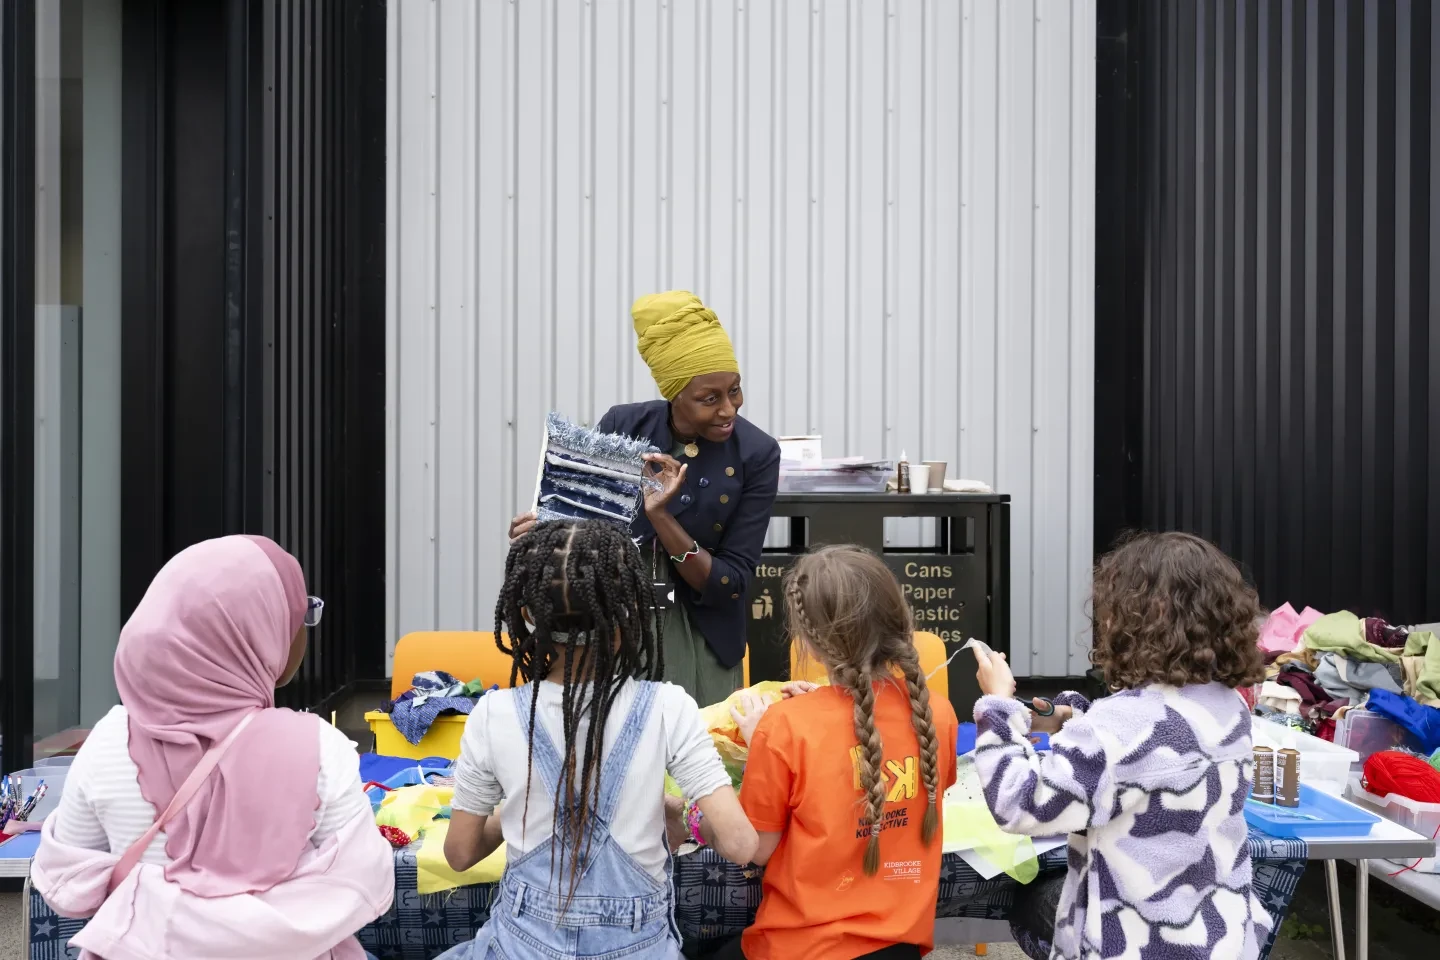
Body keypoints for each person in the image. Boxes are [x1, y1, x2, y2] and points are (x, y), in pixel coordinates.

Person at [33, 535, 393, 960]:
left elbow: (65, 883)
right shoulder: (320, 747)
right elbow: (362, 884)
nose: (301, 630)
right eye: (298, 614)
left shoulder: (107, 743)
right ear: (254, 630)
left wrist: (154, 899)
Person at [438, 520, 757, 960]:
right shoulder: (668, 707)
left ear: (527, 613)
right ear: (631, 610)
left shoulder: (494, 715)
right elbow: (742, 845)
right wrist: (681, 820)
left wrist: (512, 815)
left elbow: (459, 853)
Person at [971, 531, 1272, 960]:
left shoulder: (1117, 728)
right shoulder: (1231, 707)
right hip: (1219, 936)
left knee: (1024, 901)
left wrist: (998, 708)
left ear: (1134, 620)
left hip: (1134, 944)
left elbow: (1018, 803)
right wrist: (1072, 718)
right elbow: (1149, 745)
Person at [679, 544, 958, 960]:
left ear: (808, 639)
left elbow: (756, 849)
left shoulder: (784, 727)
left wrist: (757, 754)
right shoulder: (938, 712)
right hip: (899, 944)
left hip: (800, 946)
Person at [511, 291, 781, 705]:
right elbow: (587, 528)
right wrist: (543, 535)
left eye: (735, 391)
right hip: (620, 625)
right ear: (675, 394)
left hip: (703, 635)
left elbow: (732, 582)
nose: (729, 409)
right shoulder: (625, 425)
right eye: (710, 399)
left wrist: (662, 518)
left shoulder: (756, 454)